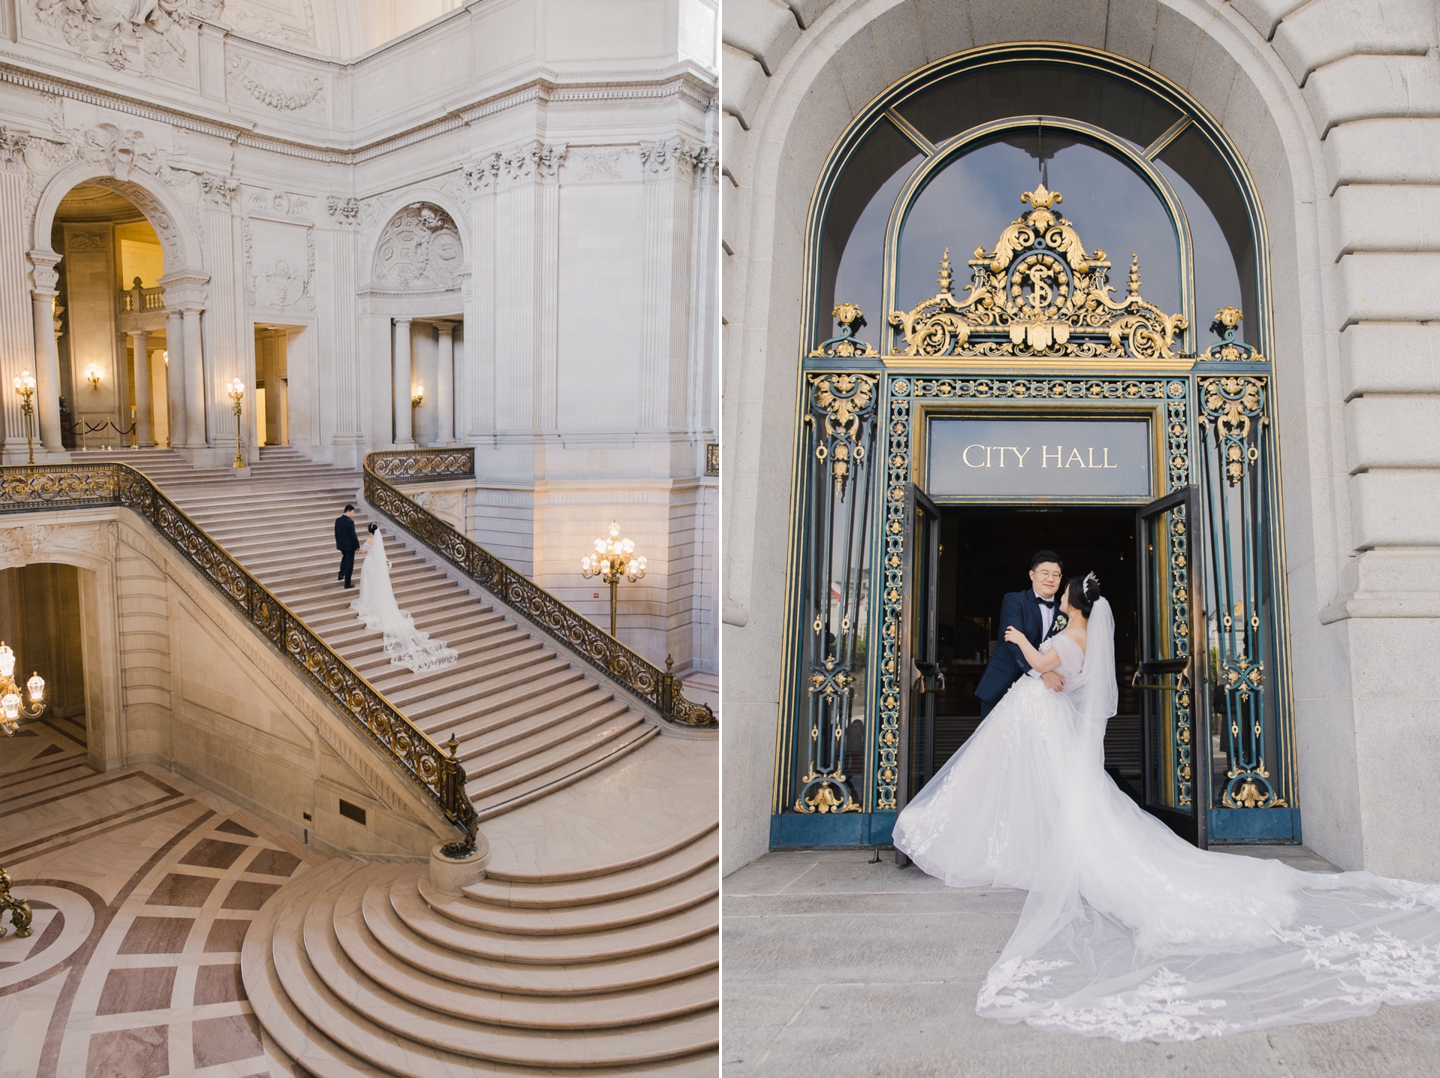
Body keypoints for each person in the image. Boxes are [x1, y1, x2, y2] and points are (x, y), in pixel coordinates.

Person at [894, 572, 1440, 1042]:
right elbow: (1057, 670)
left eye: (1065, 589)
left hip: (1042, 718)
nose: (1057, 592)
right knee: (1066, 796)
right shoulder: (1082, 632)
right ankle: (1035, 842)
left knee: (1063, 798)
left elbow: (1042, 663)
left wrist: (1021, 642)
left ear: (1075, 603)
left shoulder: (1071, 636)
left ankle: (1031, 846)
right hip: (1045, 722)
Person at [351, 522, 458, 673]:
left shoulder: (369, 541)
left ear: (369, 531)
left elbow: (362, 552)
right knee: (377, 587)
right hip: (378, 566)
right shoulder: (378, 542)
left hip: (369, 565)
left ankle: (368, 602)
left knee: (369, 584)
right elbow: (381, 554)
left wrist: (356, 549)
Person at [973, 550, 1066, 717]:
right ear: (1032, 575)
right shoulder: (1015, 600)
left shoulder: (1064, 613)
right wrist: (1042, 673)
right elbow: (1012, 642)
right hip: (1004, 683)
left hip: (1043, 695)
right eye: (1045, 573)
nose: (1050, 579)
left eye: (1056, 575)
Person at [334, 504, 360, 589]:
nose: (353, 514)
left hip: (341, 545)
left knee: (345, 558)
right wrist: (357, 546)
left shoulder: (338, 520)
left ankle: (341, 574)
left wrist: (338, 543)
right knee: (349, 564)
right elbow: (353, 535)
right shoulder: (350, 522)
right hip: (349, 547)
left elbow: (336, 533)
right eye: (352, 512)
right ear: (348, 511)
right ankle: (347, 583)